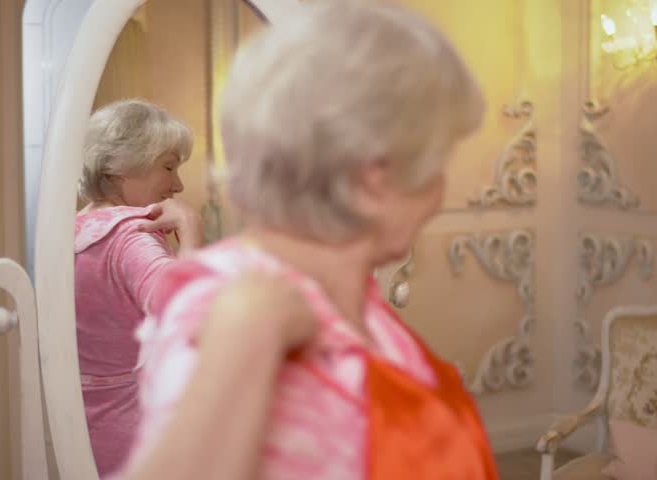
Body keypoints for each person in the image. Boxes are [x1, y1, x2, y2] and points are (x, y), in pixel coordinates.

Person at [119, 1, 496, 479]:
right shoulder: (230, 310)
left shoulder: (351, 299)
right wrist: (245, 334)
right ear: (375, 178)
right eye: (437, 164)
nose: (441, 192)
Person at [74, 99, 203, 477]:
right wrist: (192, 232)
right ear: (119, 167)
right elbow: (186, 317)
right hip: (135, 439)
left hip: (78, 427)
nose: (177, 184)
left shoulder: (71, 230)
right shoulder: (133, 235)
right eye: (168, 166)